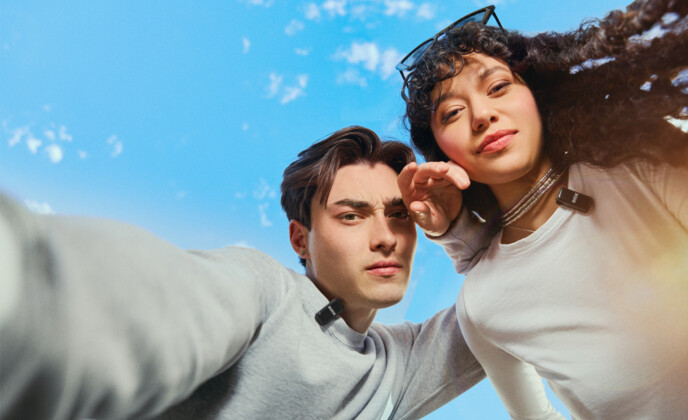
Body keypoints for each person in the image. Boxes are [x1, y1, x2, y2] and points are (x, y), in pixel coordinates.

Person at [396, 1, 688, 419]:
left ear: (535, 94)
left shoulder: (639, 162)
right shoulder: (481, 303)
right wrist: (455, 230)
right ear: (441, 151)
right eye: (453, 113)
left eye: (497, 87)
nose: (482, 115)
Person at [0, 126, 484, 420]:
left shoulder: (398, 367)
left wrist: (458, 229)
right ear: (300, 240)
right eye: (351, 216)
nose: (386, 237)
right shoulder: (264, 291)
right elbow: (129, 303)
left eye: (400, 215)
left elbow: (516, 302)